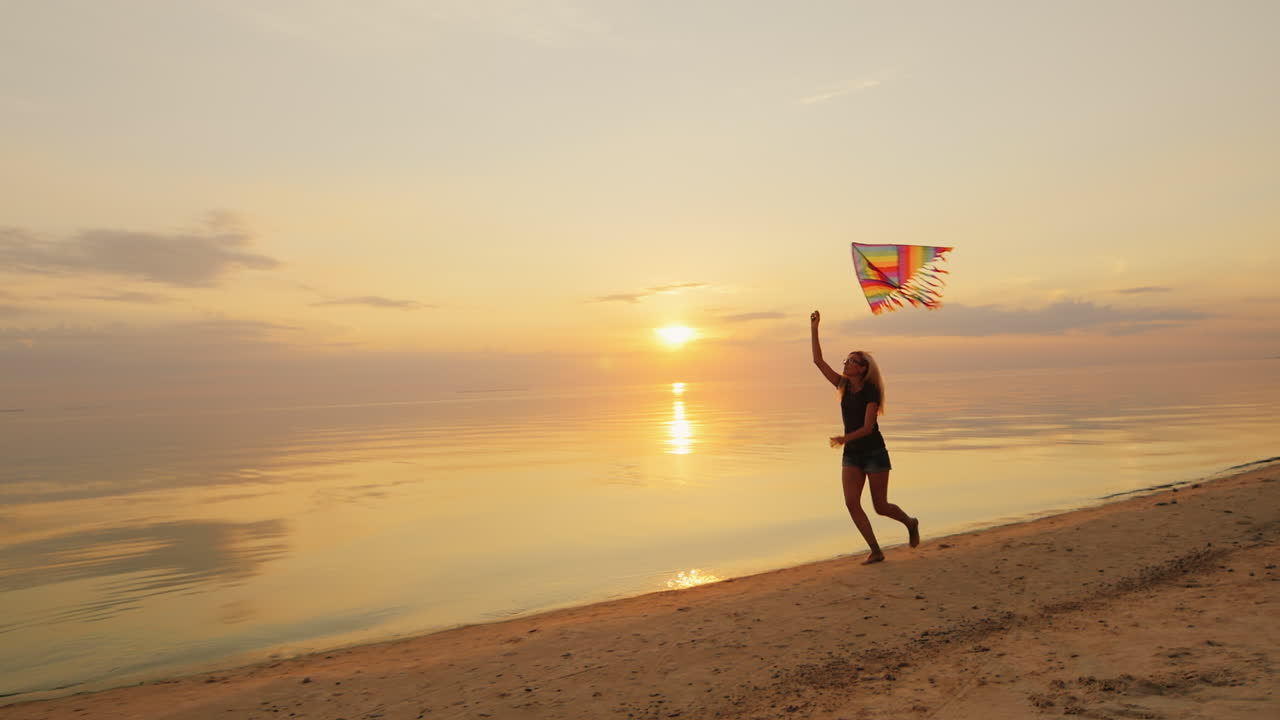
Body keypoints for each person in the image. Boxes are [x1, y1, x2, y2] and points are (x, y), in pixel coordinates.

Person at [810, 310, 920, 564]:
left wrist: (844, 439)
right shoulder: (843, 385)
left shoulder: (871, 391)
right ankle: (876, 550)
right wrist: (814, 328)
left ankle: (909, 522)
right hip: (852, 455)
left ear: (862, 369)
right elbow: (818, 361)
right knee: (851, 502)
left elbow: (869, 428)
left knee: (880, 506)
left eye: (852, 361)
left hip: (874, 453)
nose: (846, 364)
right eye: (846, 360)